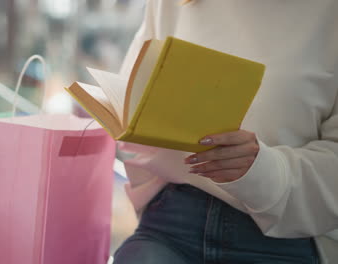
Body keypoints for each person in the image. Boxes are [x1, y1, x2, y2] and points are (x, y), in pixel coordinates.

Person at [113, 0, 338, 263]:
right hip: (173, 217)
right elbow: (132, 98)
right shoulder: (171, 4)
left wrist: (265, 169)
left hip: (285, 237)